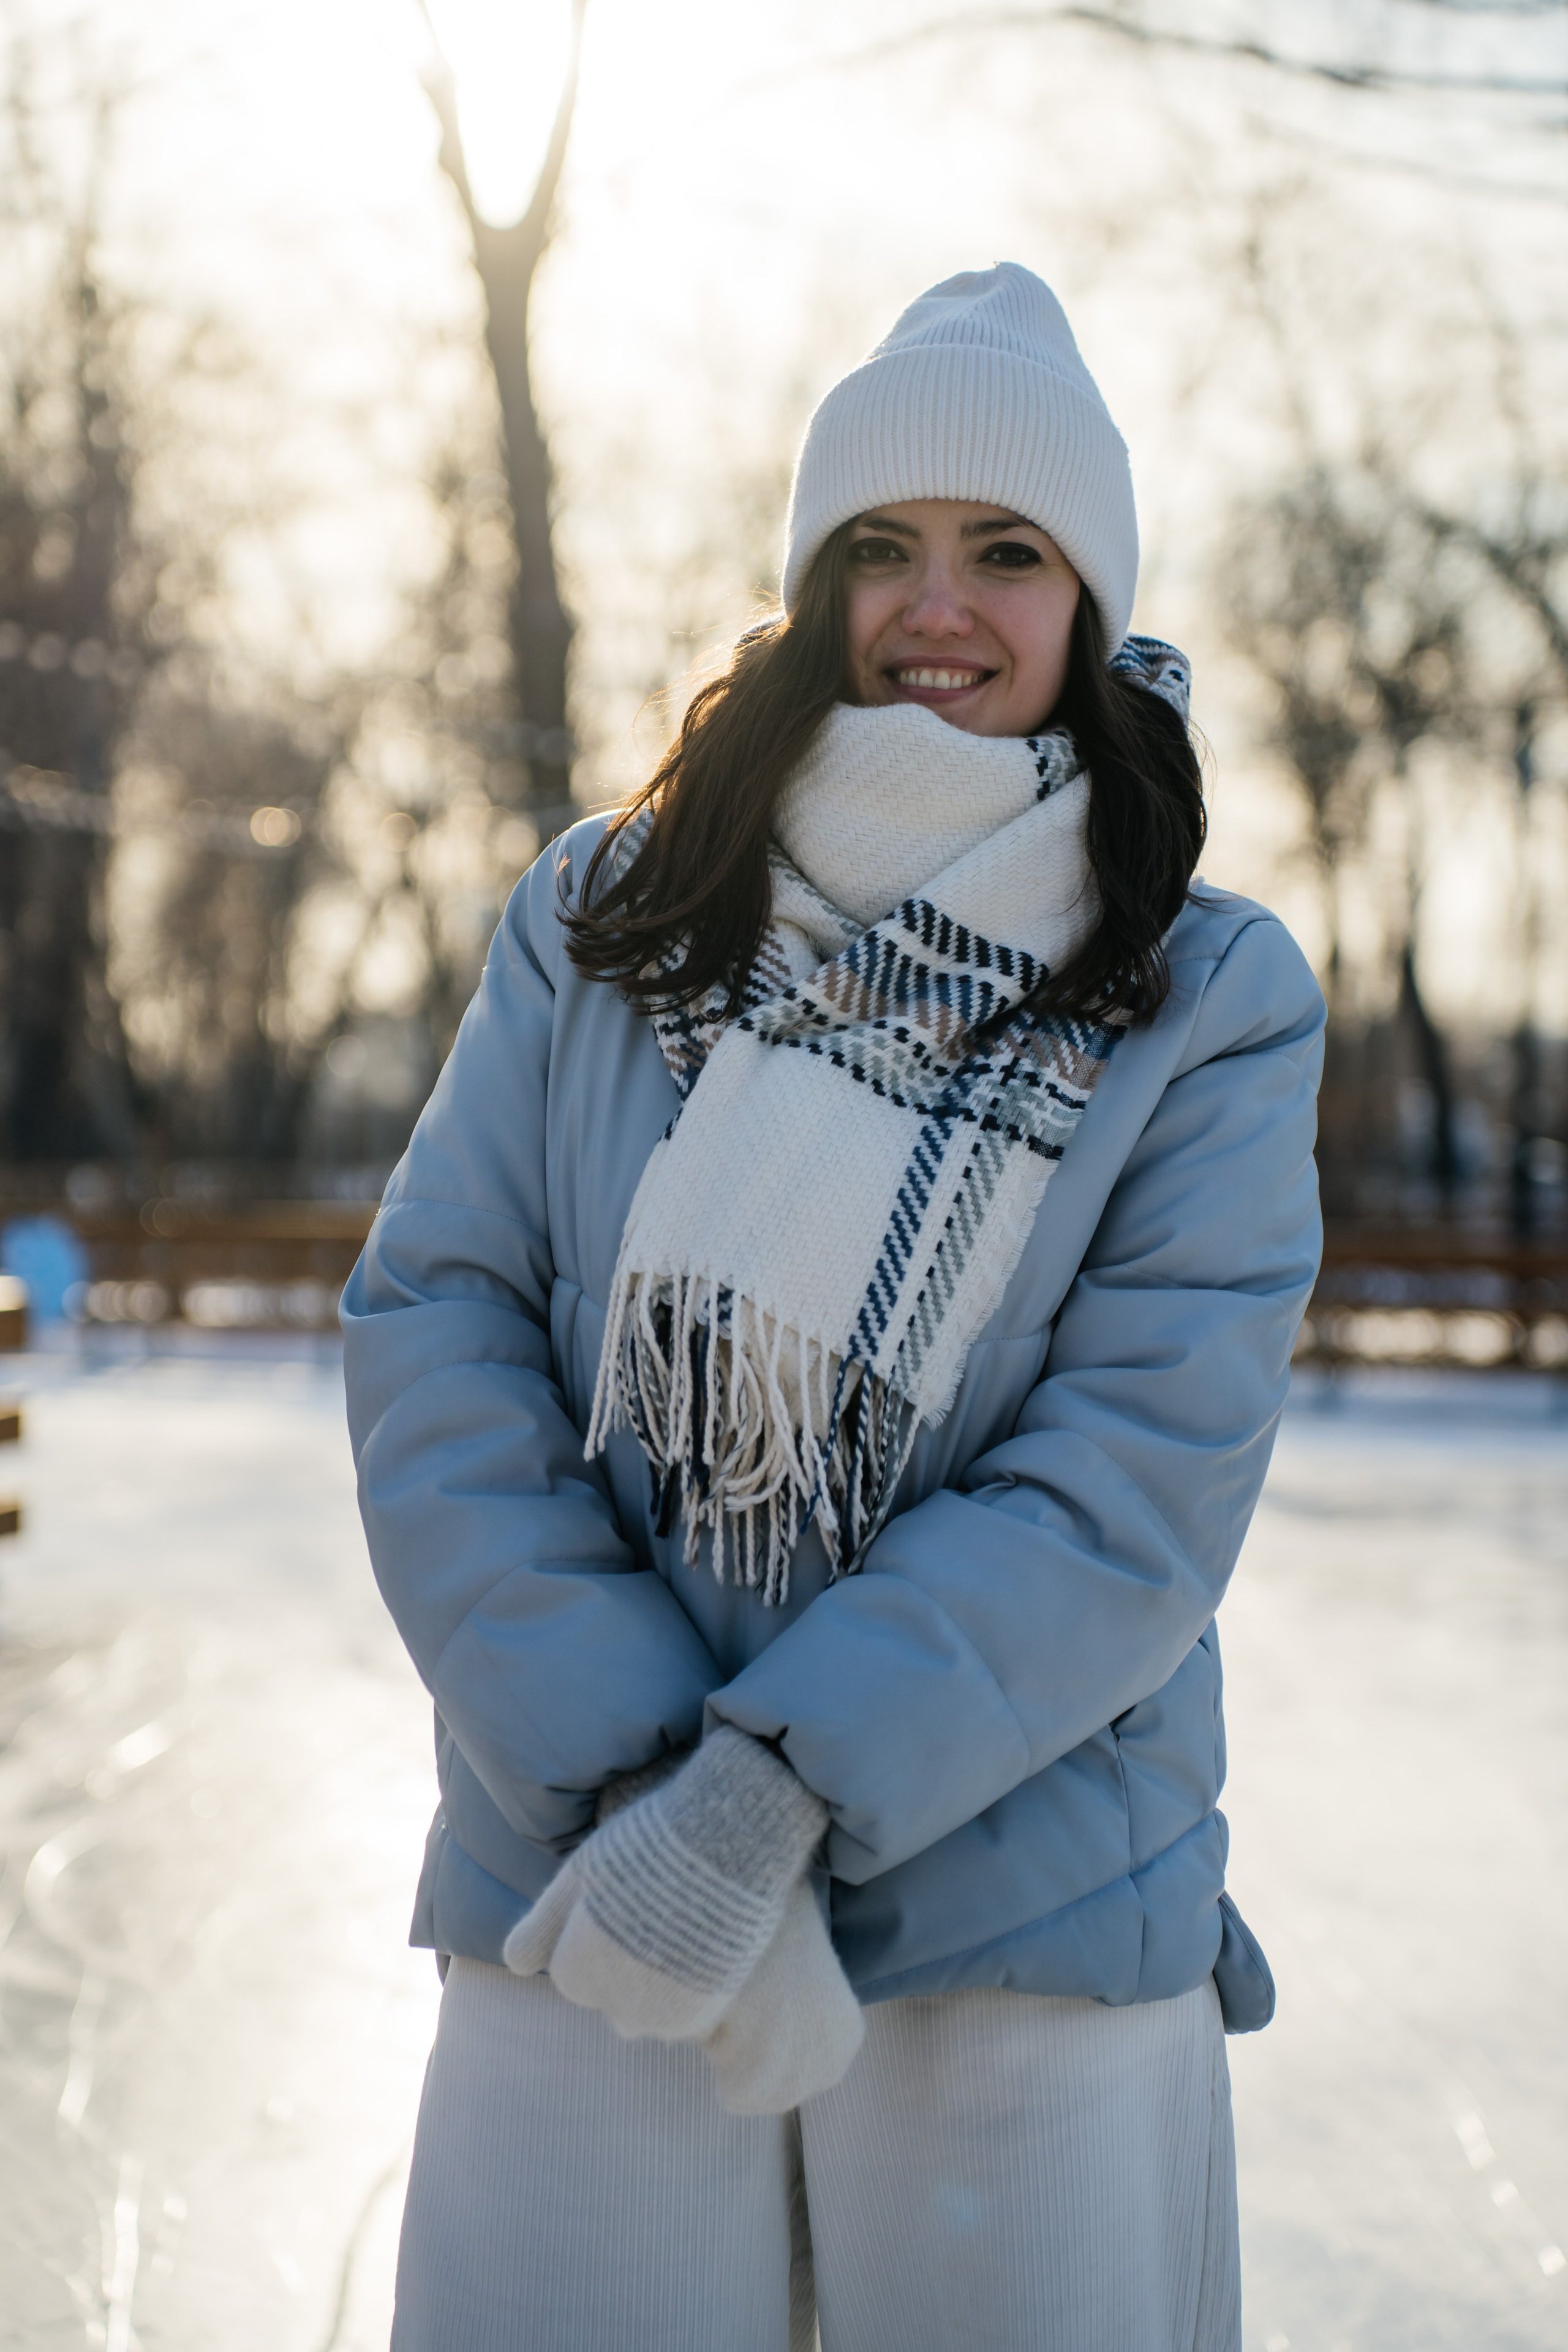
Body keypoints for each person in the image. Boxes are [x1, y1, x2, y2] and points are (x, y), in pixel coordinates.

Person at [342, 262, 1324, 2352]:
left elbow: (1137, 1475)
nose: (938, 605)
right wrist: (642, 1800)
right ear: (814, 584)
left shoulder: (1207, 993)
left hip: (1022, 1911)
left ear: (1088, 594)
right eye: (882, 547)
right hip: (583, 1888)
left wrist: (778, 1793)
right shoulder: (603, 921)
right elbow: (440, 1328)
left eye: (1007, 552)